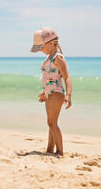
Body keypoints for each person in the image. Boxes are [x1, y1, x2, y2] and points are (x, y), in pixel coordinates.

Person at [30, 27, 72, 156]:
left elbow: (67, 77)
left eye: (41, 47)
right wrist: (45, 92)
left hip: (57, 93)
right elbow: (50, 78)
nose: (41, 50)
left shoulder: (58, 58)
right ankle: (49, 150)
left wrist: (68, 95)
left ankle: (60, 151)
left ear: (51, 43)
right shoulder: (50, 57)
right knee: (51, 122)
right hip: (50, 93)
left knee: (52, 123)